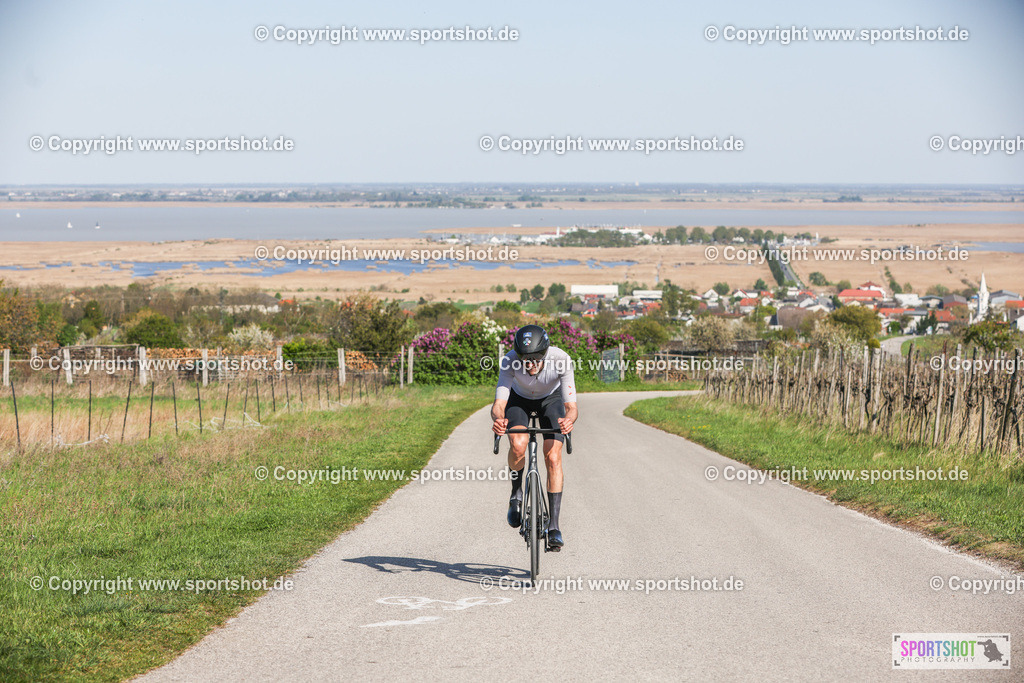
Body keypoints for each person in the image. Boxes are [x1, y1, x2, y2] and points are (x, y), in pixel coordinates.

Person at [491, 324, 577, 549]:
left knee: (553, 456)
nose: (529, 364)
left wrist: (569, 420)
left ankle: (554, 526)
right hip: (519, 400)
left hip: (551, 400)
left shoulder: (561, 360)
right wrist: (499, 419)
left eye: (535, 360)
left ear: (545, 354)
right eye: (524, 360)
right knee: (518, 444)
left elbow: (571, 407)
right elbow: (499, 404)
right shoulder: (509, 360)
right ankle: (516, 493)